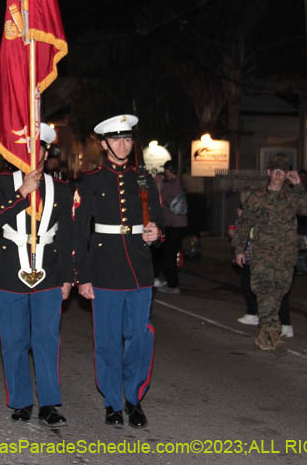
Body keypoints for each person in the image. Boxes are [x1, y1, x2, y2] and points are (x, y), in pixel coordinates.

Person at [74, 114, 163, 428]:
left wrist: (156, 232)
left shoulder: (143, 179)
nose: (122, 144)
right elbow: (79, 233)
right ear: (104, 143)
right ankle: (112, 402)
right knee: (108, 341)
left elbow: (157, 218)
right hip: (105, 270)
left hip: (139, 269)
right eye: (116, 139)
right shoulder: (90, 180)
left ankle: (134, 398)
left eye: (127, 139)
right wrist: (81, 277)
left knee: (138, 338)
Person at [0, 123, 73, 427]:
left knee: (47, 340)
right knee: (13, 339)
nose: (34, 153)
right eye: (28, 147)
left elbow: (67, 236)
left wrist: (68, 277)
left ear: (46, 152)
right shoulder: (3, 181)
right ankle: (21, 400)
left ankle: (49, 402)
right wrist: (22, 193)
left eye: (40, 148)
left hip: (48, 271)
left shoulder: (62, 189)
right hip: (10, 269)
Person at [232, 153, 307, 354]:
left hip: (285, 256)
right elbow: (244, 225)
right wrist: (240, 249)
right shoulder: (257, 197)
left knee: (278, 294)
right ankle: (271, 335)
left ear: (286, 174)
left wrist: (299, 185)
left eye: (282, 172)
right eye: (275, 171)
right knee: (265, 292)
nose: (278, 175)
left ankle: (265, 334)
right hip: (262, 255)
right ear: (269, 172)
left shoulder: (292, 196)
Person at [231, 205, 292, 336]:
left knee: (276, 292)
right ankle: (269, 323)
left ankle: (284, 325)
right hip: (263, 262)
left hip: (274, 262)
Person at [153, 162, 187, 294]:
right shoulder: (179, 182)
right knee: (169, 254)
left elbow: (160, 197)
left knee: (169, 255)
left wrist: (158, 183)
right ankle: (170, 281)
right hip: (179, 224)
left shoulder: (171, 185)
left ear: (168, 171)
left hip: (173, 225)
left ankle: (173, 285)